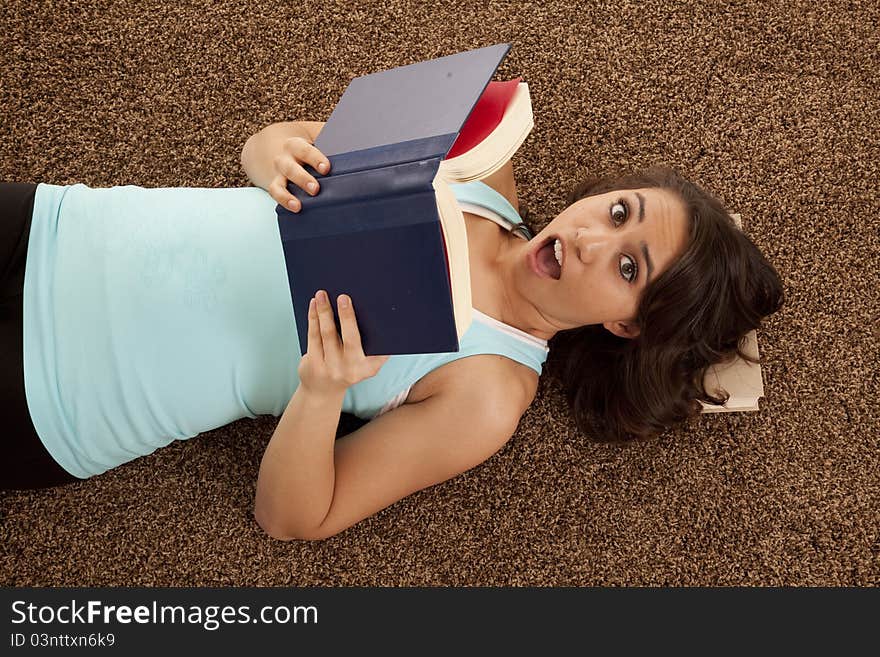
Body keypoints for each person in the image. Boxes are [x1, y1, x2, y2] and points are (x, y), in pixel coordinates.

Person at [0, 120, 784, 541]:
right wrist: (270, 152)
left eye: (626, 268)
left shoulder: (488, 392)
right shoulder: (482, 173)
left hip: (58, 394)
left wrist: (320, 393)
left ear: (624, 323)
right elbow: (278, 144)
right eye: (619, 213)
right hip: (57, 222)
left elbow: (291, 517)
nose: (589, 239)